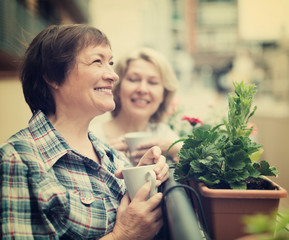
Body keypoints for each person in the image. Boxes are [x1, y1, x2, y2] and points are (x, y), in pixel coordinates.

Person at [0, 24, 169, 240]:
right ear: (52, 77)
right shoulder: (17, 160)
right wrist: (122, 236)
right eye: (97, 62)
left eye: (111, 63)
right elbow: (127, 228)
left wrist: (144, 176)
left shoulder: (110, 155)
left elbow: (133, 214)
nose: (113, 76)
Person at [90, 47, 182, 165]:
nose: (142, 89)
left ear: (164, 94)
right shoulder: (93, 136)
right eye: (133, 80)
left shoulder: (163, 134)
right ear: (117, 88)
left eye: (152, 82)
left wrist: (173, 149)